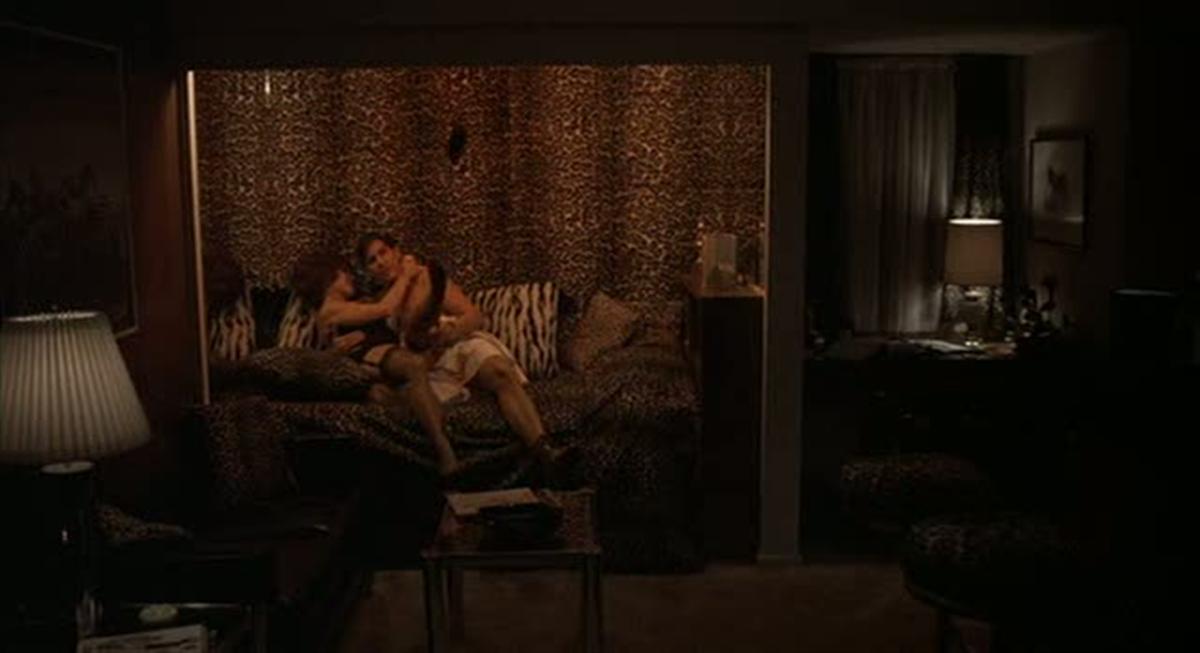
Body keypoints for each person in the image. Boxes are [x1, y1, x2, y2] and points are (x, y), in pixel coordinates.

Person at [356, 233, 570, 475]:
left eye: (383, 252)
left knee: (499, 371)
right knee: (394, 394)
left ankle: (544, 450)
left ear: (396, 251)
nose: (380, 262)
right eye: (372, 261)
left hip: (456, 344)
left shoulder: (427, 277)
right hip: (427, 364)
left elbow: (474, 315)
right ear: (368, 271)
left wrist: (453, 332)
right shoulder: (380, 302)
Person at [292, 253, 461, 475]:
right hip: (368, 357)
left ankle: (435, 451)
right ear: (329, 279)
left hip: (383, 357)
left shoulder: (353, 304)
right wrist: (407, 276)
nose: (350, 278)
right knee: (413, 365)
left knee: (400, 393)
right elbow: (384, 308)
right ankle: (445, 451)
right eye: (344, 274)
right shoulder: (329, 308)